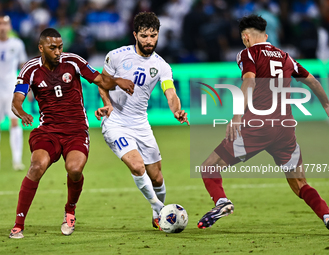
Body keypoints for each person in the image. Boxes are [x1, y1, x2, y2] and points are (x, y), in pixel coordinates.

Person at [197, 15, 329, 235]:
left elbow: (250, 80)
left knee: (209, 167)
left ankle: (222, 202)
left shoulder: (247, 53)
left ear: (246, 38)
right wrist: (327, 105)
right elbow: (311, 80)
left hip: (258, 126)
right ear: (266, 36)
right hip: (285, 129)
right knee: (300, 183)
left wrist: (236, 115)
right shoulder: (285, 57)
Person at [9, 28, 134, 239]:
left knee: (74, 169)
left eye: (60, 47)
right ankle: (18, 224)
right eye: (52, 48)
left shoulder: (73, 61)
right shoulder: (30, 69)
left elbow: (100, 80)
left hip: (76, 130)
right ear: (41, 48)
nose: (58, 52)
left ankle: (70, 211)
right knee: (36, 166)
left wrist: (117, 81)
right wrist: (22, 113)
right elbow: (16, 102)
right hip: (48, 130)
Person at [95, 12, 189, 229]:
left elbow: (171, 92)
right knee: (138, 167)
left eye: (153, 36)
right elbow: (102, 82)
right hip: (115, 121)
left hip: (141, 124)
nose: (149, 41)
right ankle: (161, 211)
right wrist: (107, 103)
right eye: (145, 36)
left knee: (156, 177)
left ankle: (158, 213)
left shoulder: (162, 65)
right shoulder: (116, 56)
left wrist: (177, 110)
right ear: (135, 34)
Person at [0, 15, 27, 171]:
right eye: (0, 24)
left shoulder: (17, 44)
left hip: (11, 86)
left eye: (5, 24)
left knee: (15, 121)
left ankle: (17, 160)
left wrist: (26, 87)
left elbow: (23, 65)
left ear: (10, 26)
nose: (3, 27)